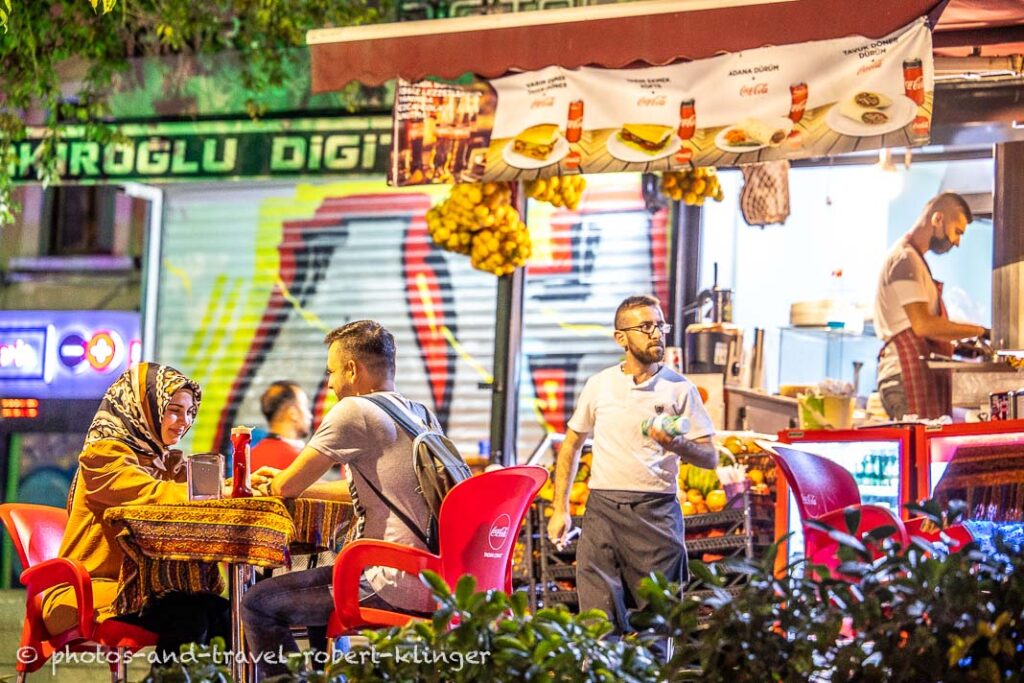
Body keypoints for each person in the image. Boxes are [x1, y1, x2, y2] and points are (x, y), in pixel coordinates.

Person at [242, 320, 437, 679]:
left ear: (351, 368)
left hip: (392, 582)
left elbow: (286, 488)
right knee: (320, 578)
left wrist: (275, 483)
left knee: (257, 603)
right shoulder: (419, 414)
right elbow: (357, 489)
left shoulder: (354, 410)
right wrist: (290, 482)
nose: (330, 383)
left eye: (331, 372)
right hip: (437, 580)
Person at [546, 294, 717, 636]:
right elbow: (571, 444)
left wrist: (677, 444)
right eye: (646, 326)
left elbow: (710, 457)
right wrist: (560, 507)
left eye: (660, 325)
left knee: (656, 623)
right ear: (620, 337)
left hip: (656, 515)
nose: (657, 334)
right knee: (597, 620)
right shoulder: (600, 385)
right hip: (602, 512)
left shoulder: (680, 390)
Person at [41, 363, 230, 660]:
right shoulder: (102, 456)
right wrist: (220, 493)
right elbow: (154, 497)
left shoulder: (165, 462)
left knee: (228, 615)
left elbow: (194, 501)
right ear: (142, 407)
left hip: (145, 588)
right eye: (174, 410)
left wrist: (242, 487)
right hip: (88, 590)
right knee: (190, 614)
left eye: (190, 412)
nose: (184, 421)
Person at [874, 192, 988, 420]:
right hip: (904, 377)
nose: (957, 242)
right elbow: (923, 325)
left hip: (909, 375)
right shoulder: (905, 259)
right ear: (937, 219)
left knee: (926, 451)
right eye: (957, 232)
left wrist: (961, 346)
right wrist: (981, 332)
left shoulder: (913, 259)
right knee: (917, 452)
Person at [250, 380, 313, 471]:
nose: (310, 415)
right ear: (293, 413)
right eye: (305, 406)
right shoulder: (296, 462)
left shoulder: (253, 455)